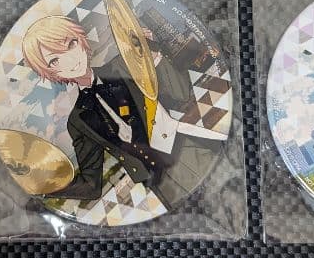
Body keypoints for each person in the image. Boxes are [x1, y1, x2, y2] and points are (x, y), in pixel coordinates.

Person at [21, 13, 222, 209]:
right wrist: (44, 188)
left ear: (82, 40)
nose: (70, 59)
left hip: (188, 150)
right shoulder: (78, 120)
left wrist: (151, 53)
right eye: (54, 61)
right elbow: (91, 186)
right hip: (162, 184)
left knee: (230, 191)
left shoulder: (123, 64)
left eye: (71, 44)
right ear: (49, 73)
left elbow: (181, 93)